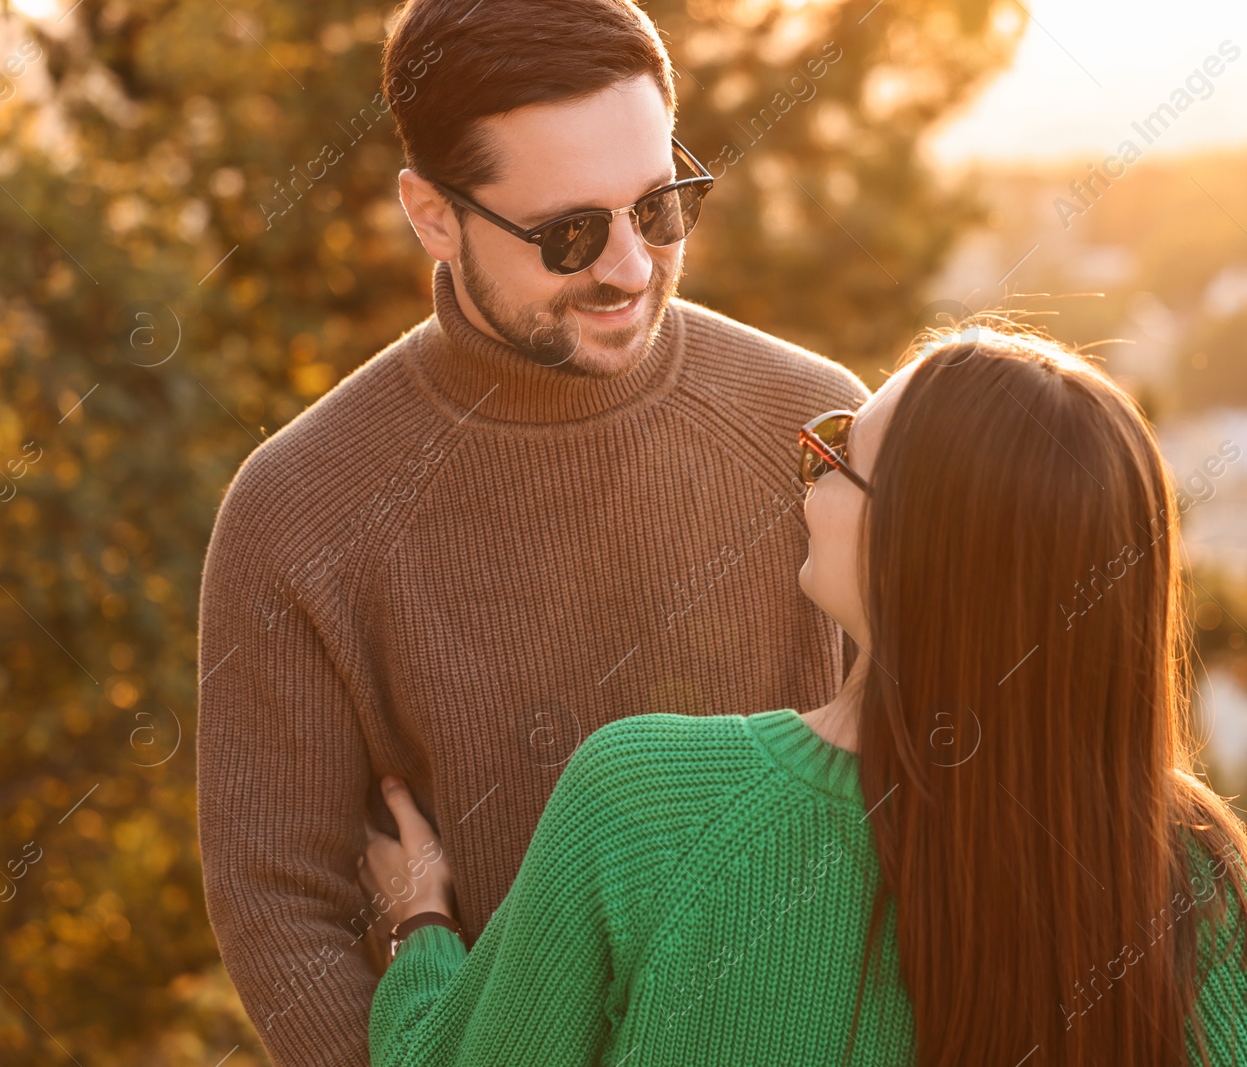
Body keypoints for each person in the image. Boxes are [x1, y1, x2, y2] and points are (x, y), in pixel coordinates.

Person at [195, 0, 867, 1062]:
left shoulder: (822, 429)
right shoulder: (297, 507)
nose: (630, 267)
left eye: (658, 208)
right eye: (567, 234)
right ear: (431, 214)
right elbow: (280, 898)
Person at [359, 326, 1247, 1066]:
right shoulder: (1194, 877)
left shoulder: (645, 801)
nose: (809, 465)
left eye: (840, 451)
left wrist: (423, 926)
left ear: (916, 553)